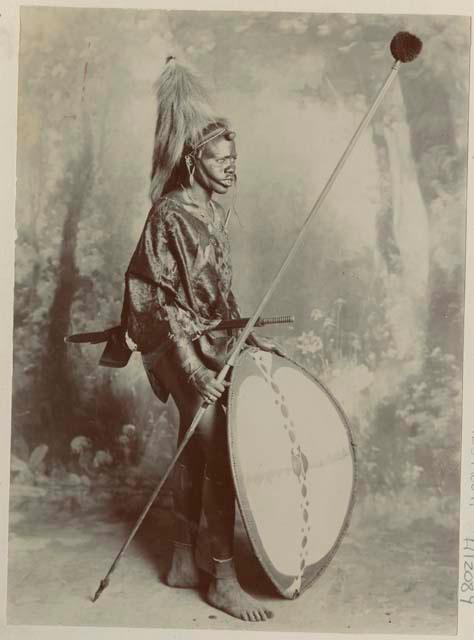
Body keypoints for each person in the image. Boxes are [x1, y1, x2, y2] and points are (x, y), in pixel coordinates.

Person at [121, 58, 280, 622]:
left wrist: (246, 338)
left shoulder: (213, 212)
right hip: (173, 347)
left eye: (235, 160)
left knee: (196, 446)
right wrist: (193, 371)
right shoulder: (168, 215)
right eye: (221, 159)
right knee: (219, 446)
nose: (232, 168)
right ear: (194, 159)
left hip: (208, 340)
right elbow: (159, 304)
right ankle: (222, 577)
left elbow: (218, 297)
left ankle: (185, 559)